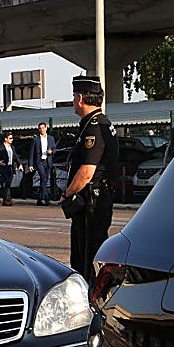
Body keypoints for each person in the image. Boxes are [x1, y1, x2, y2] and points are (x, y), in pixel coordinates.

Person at [60, 74, 120, 279]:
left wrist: (67, 194)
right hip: (95, 200)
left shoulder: (93, 128)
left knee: (85, 258)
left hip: (91, 202)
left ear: (80, 98)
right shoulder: (98, 123)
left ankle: (89, 303)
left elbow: (86, 172)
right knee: (89, 253)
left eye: (75, 95)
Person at [28, 122, 56, 205]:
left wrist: (51, 151)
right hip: (39, 162)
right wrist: (30, 164)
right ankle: (46, 198)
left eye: (43, 128)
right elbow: (31, 153)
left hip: (48, 161)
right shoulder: (35, 139)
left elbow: (55, 149)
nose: (42, 130)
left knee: (45, 180)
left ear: (46, 128)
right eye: (40, 128)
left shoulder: (50, 138)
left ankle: (40, 199)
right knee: (43, 177)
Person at [0, 131, 21, 206]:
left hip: (10, 167)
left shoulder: (12, 147)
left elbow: (15, 156)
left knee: (8, 183)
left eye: (12, 138)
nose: (11, 140)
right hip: (4, 167)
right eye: (10, 138)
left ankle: (7, 199)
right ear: (5, 139)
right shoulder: (0, 147)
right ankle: (7, 200)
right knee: (6, 183)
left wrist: (20, 164)